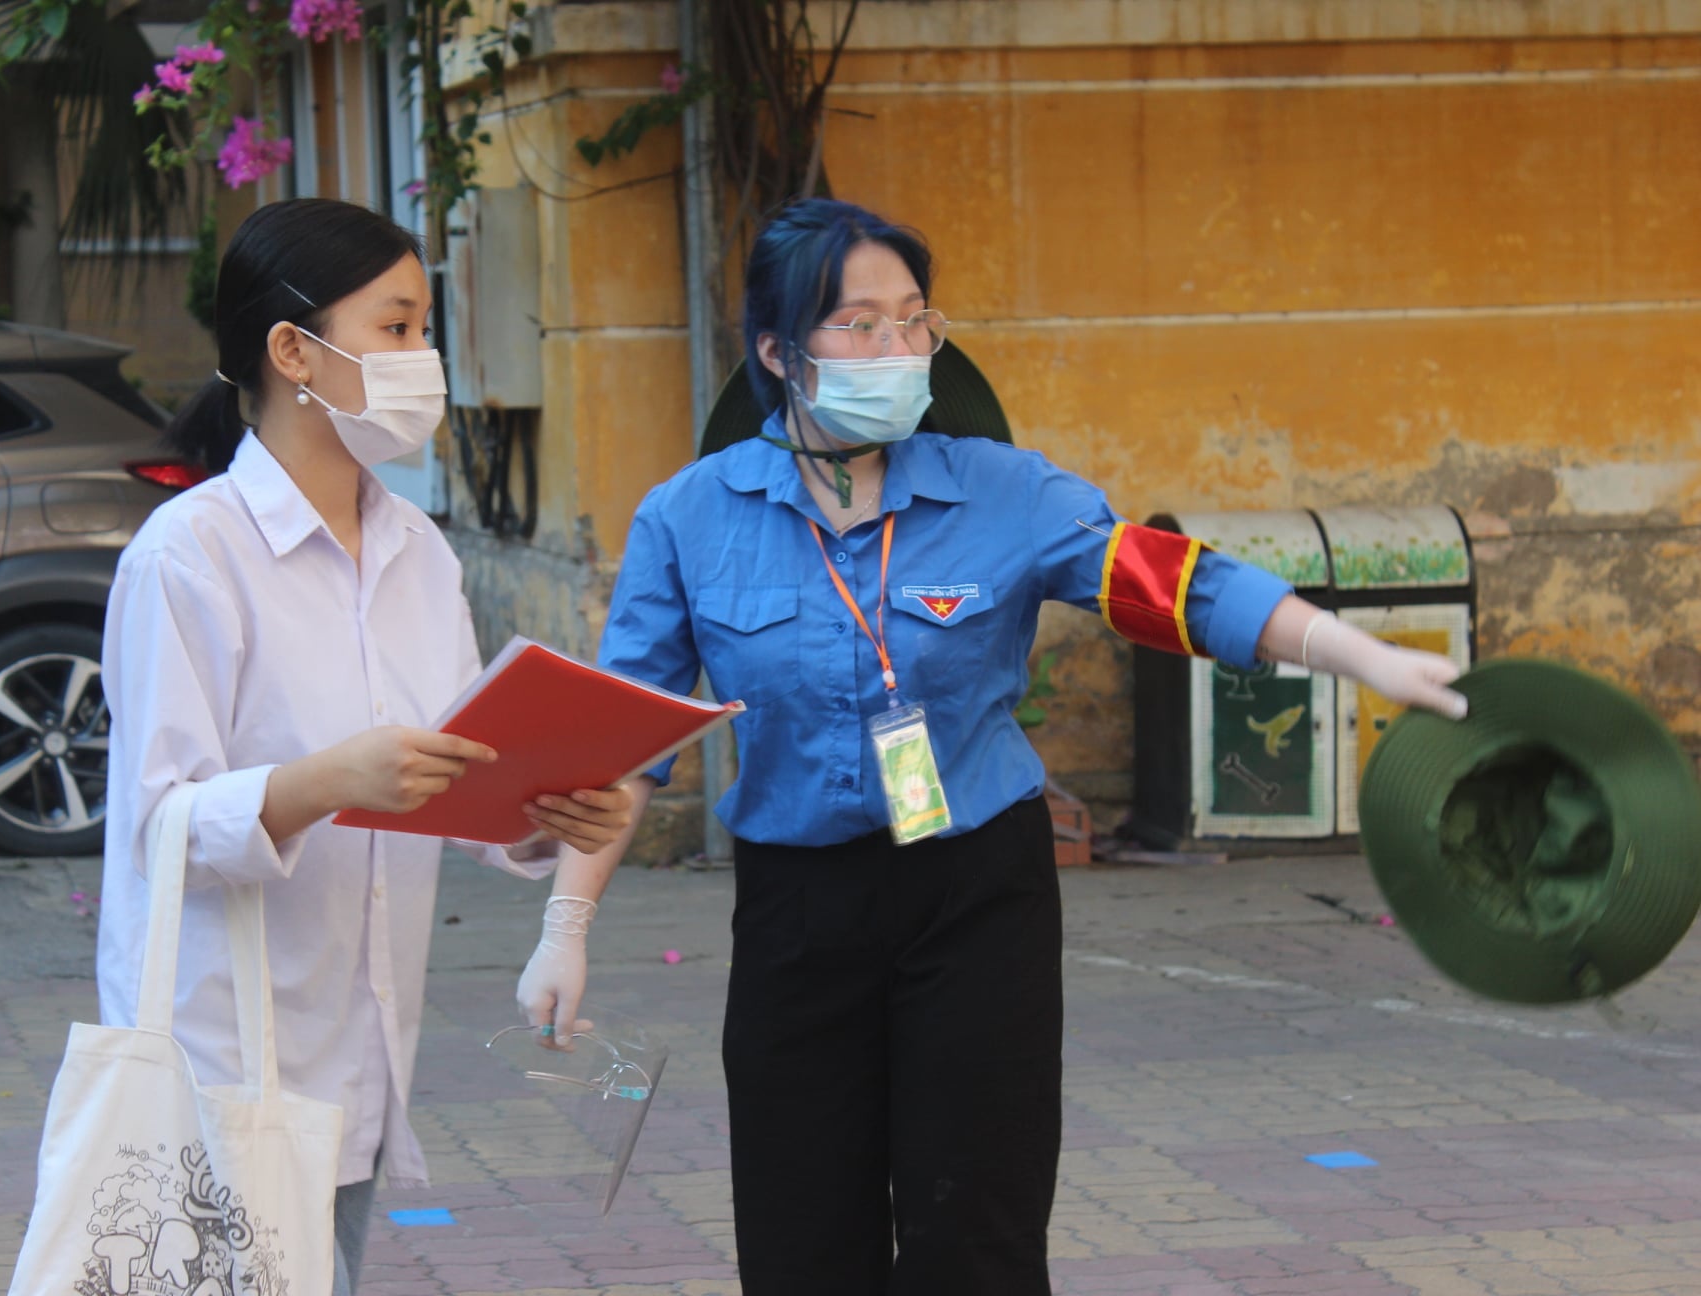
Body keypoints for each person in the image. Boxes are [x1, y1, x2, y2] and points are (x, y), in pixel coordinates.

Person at [511, 198, 1469, 1295]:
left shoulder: (1005, 491)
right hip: (796, 912)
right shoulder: (688, 518)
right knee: (799, 1232)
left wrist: (1364, 656)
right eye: (859, 324)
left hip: (975, 894)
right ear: (779, 351)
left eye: (914, 321)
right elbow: (627, 738)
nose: (897, 349)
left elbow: (1173, 583)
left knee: (980, 1228)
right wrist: (565, 928)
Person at [95, 198, 632, 1296]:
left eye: (424, 327)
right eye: (394, 329)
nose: (421, 359)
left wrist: (555, 815)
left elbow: (460, 774)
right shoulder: (189, 559)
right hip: (220, 1063)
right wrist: (327, 782)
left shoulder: (418, 553)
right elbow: (158, 828)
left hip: (360, 1060)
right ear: (293, 350)